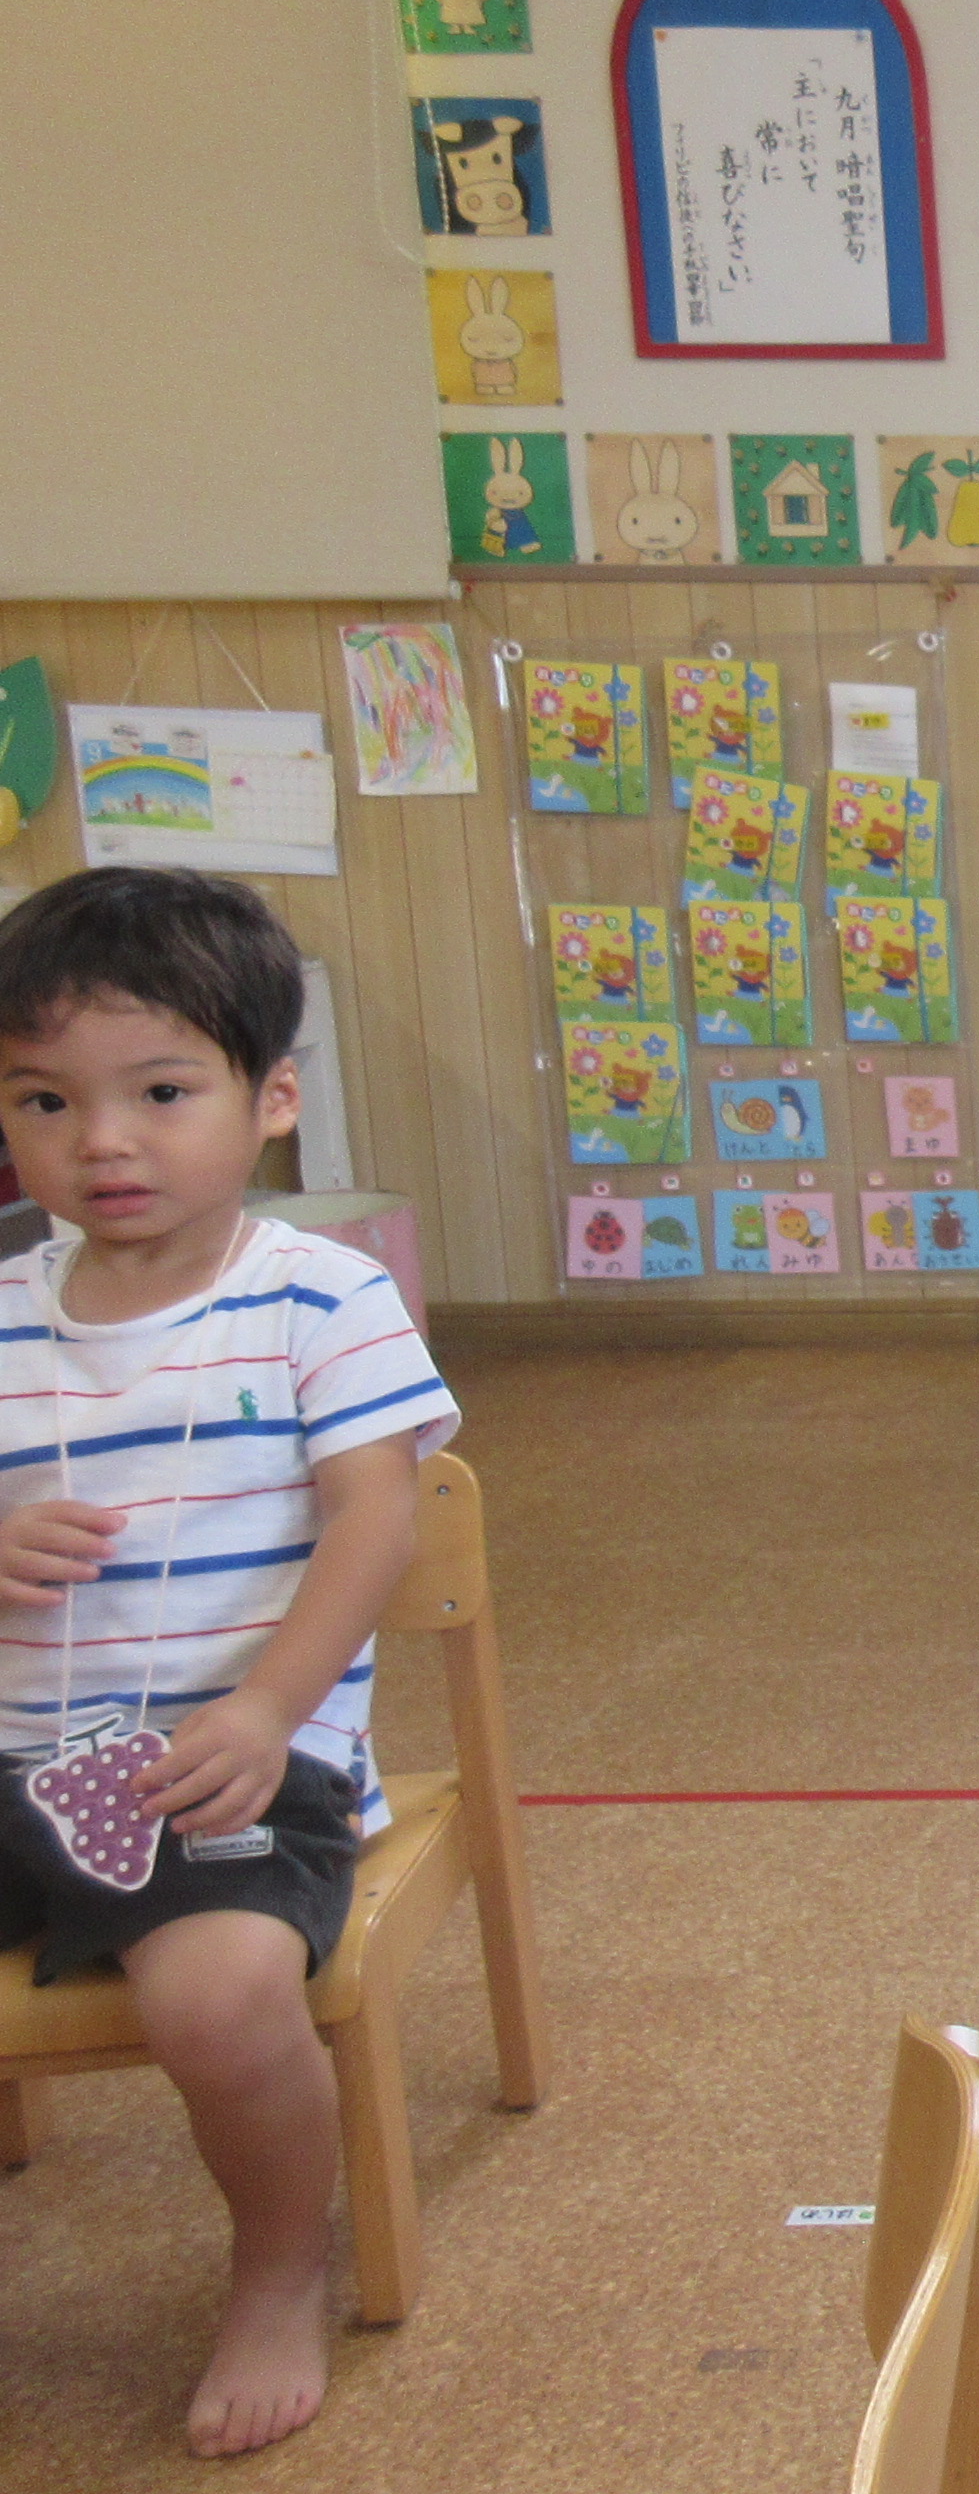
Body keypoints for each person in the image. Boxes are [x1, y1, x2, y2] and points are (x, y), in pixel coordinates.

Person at [0, 869, 457, 2458]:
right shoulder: (3, 1312)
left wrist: (268, 1710)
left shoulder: (319, 1298)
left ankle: (274, 2268)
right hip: (19, 1758)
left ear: (270, 1101)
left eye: (160, 1092)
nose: (102, 1143)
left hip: (233, 1761)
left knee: (218, 2001)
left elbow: (377, 1520)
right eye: (45, 1100)